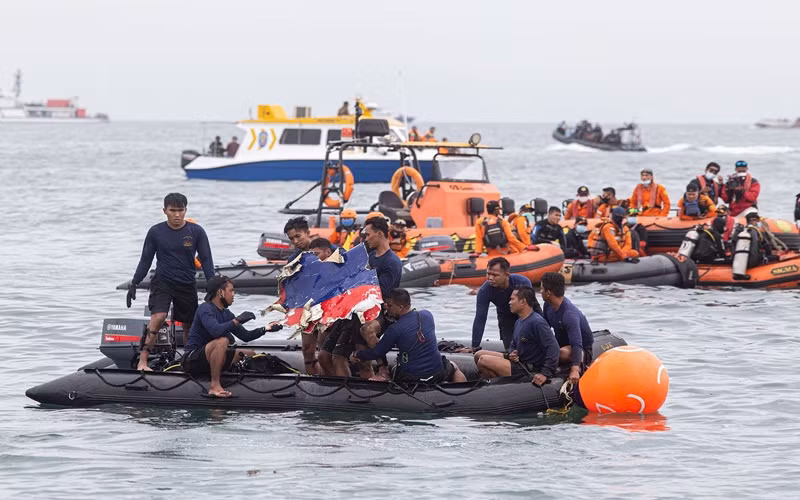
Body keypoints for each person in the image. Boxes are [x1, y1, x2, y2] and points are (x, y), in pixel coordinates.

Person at [128, 193, 215, 371]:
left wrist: (212, 284)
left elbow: (206, 259)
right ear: (165, 211)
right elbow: (145, 260)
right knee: (158, 317)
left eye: (180, 210)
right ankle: (142, 361)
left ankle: (190, 361)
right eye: (172, 210)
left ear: (185, 210)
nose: (177, 215)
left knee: (189, 325)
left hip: (186, 283)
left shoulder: (196, 232)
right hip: (163, 282)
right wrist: (134, 282)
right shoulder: (156, 232)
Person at [324, 216, 403, 379]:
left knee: (363, 361)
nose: (365, 239)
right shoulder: (371, 256)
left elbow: (379, 293)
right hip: (356, 310)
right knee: (332, 357)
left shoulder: (392, 262)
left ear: (380, 234)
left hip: (377, 312)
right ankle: (342, 393)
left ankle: (383, 369)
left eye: (368, 235)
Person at [182, 276, 280, 398]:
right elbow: (216, 331)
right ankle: (214, 386)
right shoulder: (205, 309)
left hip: (210, 357)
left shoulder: (226, 313)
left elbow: (246, 336)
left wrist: (266, 328)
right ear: (220, 292)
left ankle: (233, 377)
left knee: (250, 353)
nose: (233, 294)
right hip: (193, 359)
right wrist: (237, 320)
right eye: (231, 291)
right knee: (222, 341)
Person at [351, 289, 466, 384]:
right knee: (454, 367)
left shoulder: (394, 329)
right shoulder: (427, 315)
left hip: (411, 378)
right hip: (437, 373)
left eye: (390, 306)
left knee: (395, 369)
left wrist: (357, 354)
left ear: (401, 307)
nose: (386, 308)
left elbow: (377, 353)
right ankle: (461, 394)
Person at [472, 287, 559, 386]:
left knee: (484, 360)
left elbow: (554, 348)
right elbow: (514, 344)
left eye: (512, 299)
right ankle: (495, 383)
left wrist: (545, 373)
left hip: (528, 369)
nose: (509, 302)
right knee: (478, 354)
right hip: (518, 361)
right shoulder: (519, 321)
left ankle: (494, 387)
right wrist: (512, 353)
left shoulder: (537, 322)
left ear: (523, 301)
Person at [465, 257, 541, 352]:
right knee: (510, 350)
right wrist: (475, 346)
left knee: (530, 344)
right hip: (505, 316)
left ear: (506, 275)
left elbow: (532, 308)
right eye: (488, 274)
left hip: (526, 314)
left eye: (495, 275)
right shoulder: (484, 291)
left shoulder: (522, 282)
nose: (490, 278)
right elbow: (480, 318)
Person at [539, 272, 593, 386]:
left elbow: (577, 344)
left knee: (559, 353)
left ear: (548, 293)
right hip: (561, 343)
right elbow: (545, 329)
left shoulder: (569, 315)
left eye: (541, 289)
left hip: (581, 349)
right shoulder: (548, 305)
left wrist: (574, 370)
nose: (540, 292)